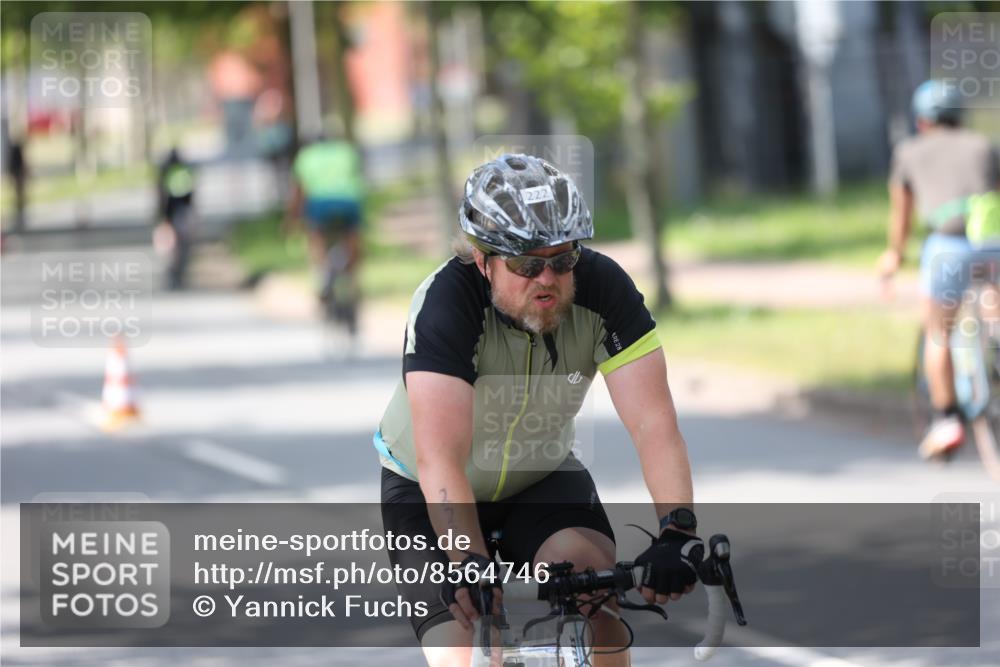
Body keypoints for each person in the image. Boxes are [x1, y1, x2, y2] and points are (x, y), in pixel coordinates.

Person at [376, 154, 701, 666]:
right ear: (482, 259)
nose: (547, 278)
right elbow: (439, 458)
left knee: (594, 596)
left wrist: (677, 530)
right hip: (429, 488)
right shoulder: (447, 303)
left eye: (563, 259)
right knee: (470, 651)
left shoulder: (604, 288)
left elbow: (653, 422)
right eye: (527, 264)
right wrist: (467, 562)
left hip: (540, 475)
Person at [878, 80, 1000, 459]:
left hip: (947, 248)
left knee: (939, 332)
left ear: (922, 120)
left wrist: (893, 256)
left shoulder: (909, 152)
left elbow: (902, 214)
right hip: (992, 244)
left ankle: (946, 419)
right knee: (992, 306)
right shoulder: (983, 146)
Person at [285, 135, 364, 337]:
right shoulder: (347, 151)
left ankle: (322, 275)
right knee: (352, 239)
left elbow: (298, 193)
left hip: (321, 204)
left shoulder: (306, 156)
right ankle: (352, 279)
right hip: (349, 202)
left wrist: (292, 220)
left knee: (315, 236)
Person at [155, 148, 196, 290]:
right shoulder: (185, 170)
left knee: (170, 247)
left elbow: (160, 196)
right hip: (183, 213)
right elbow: (191, 195)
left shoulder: (164, 172)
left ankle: (173, 272)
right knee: (183, 245)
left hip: (170, 214)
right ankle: (178, 273)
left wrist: (161, 216)